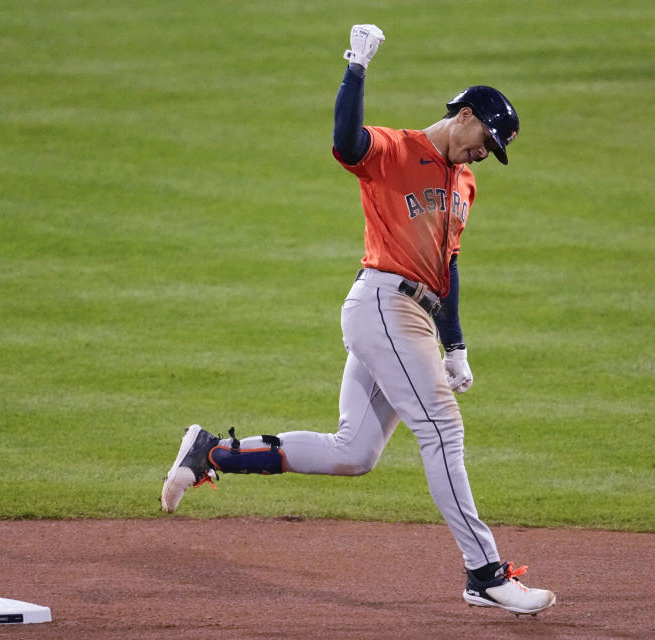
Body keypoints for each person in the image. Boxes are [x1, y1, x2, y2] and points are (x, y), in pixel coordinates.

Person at [161, 24, 555, 616]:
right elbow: (347, 142)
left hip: (416, 318)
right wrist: (357, 69)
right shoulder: (394, 150)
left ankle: (211, 453)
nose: (484, 153)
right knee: (443, 429)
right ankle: (484, 572)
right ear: (464, 114)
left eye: (494, 151)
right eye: (485, 140)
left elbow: (446, 266)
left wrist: (456, 345)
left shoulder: (465, 184)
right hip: (383, 304)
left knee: (355, 452)